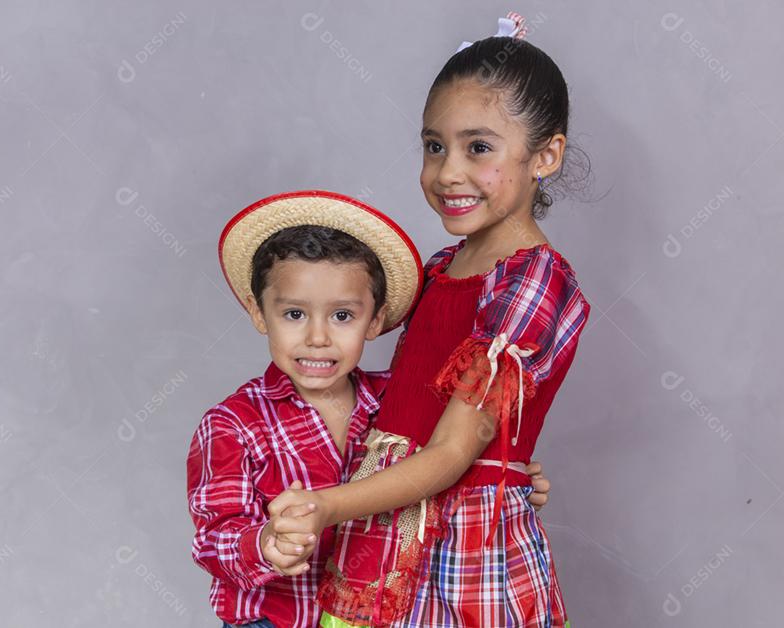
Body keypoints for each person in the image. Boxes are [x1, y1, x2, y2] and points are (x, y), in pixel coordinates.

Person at [266, 14, 592, 627]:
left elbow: (449, 452)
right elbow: (388, 389)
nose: (447, 172)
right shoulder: (440, 267)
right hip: (390, 525)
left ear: (545, 156)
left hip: (465, 544)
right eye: (434, 146)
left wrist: (327, 506)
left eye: (479, 148)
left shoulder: (531, 282)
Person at [187, 191, 555, 628]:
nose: (318, 338)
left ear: (375, 320)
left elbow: (438, 468)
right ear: (259, 312)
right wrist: (264, 543)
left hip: (367, 618)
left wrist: (504, 478)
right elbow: (213, 540)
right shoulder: (232, 425)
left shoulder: (394, 401)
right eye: (294, 314)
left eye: (342, 316)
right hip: (274, 619)